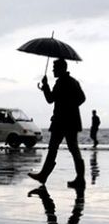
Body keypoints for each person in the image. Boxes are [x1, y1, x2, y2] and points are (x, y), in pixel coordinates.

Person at [28, 58, 86, 188]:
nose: (53, 70)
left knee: (53, 149)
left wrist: (46, 86)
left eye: (55, 68)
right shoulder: (73, 82)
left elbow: (50, 99)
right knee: (73, 149)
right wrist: (71, 107)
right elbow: (82, 98)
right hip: (71, 122)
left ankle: (44, 175)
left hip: (61, 122)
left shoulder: (60, 83)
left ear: (61, 69)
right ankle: (80, 179)